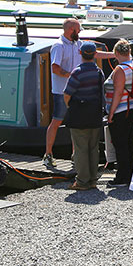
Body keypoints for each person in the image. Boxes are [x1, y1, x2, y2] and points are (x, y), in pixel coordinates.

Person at [45, 19, 113, 167]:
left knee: (75, 123)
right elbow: (54, 68)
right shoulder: (58, 46)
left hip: (77, 91)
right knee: (56, 121)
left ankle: (76, 155)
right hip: (61, 92)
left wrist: (115, 55)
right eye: (78, 29)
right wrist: (74, 76)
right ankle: (48, 154)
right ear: (71, 30)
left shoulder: (78, 44)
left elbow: (95, 54)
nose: (80, 32)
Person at [63, 42, 105, 190]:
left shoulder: (77, 72)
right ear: (94, 54)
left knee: (80, 148)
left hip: (79, 115)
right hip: (95, 114)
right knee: (93, 148)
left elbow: (67, 94)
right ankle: (93, 180)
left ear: (80, 53)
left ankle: (82, 181)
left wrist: (70, 107)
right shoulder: (99, 72)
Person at [104, 39, 133, 187]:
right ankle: (129, 175)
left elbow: (118, 93)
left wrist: (110, 113)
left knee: (120, 144)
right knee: (129, 143)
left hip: (120, 110)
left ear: (116, 53)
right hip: (131, 109)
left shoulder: (120, 69)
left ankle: (122, 177)